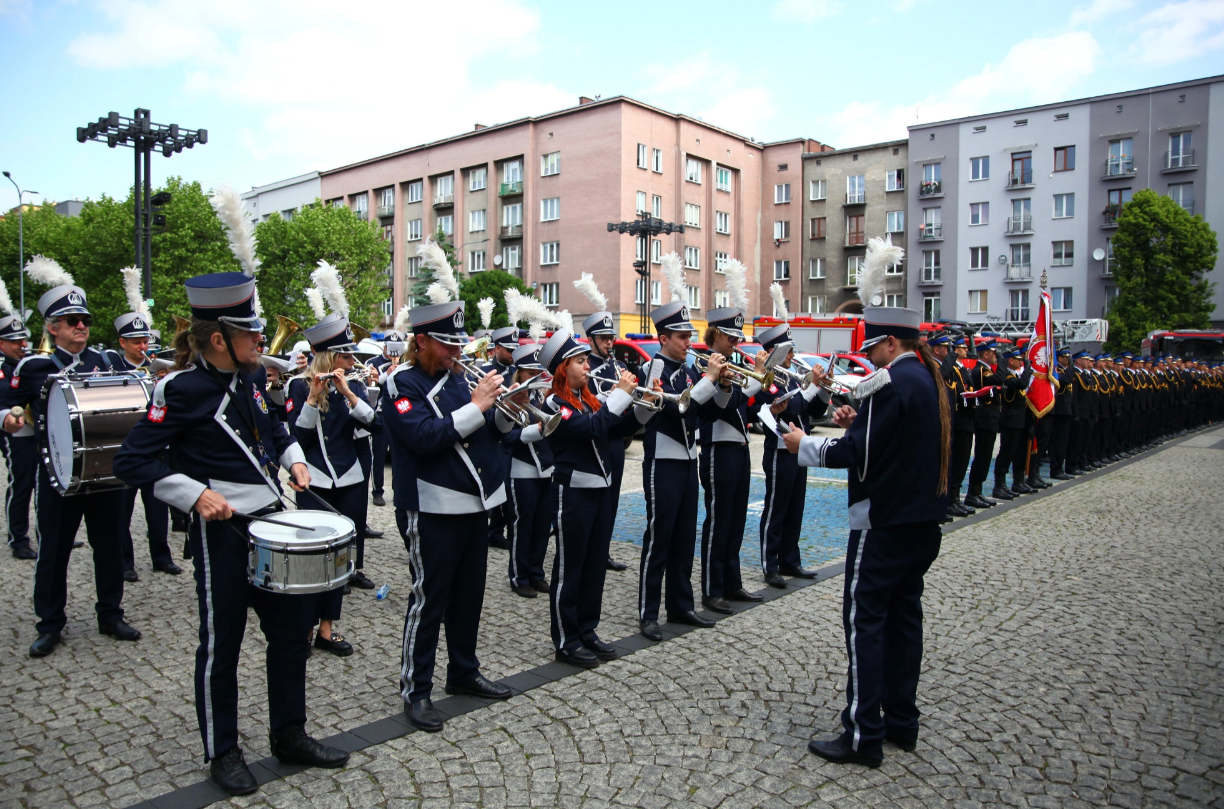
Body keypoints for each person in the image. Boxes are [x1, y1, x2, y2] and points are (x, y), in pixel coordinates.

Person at [113, 270, 349, 795]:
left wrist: (294, 459)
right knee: (222, 644)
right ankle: (223, 751)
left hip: (271, 523)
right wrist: (193, 494)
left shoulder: (250, 377)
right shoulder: (178, 388)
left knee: (291, 637)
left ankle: (290, 733)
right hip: (221, 534)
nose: (264, 344)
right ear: (219, 339)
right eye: (254, 336)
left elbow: (276, 429)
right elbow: (133, 461)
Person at [781, 290, 950, 768]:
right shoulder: (929, 379)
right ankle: (901, 721)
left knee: (864, 623)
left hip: (884, 522)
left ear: (891, 343)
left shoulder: (891, 382)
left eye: (873, 348)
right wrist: (857, 424)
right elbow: (893, 441)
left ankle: (862, 734)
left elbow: (859, 455)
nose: (868, 356)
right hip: (921, 522)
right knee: (903, 621)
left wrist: (804, 445)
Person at [383, 297, 514, 734]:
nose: (456, 353)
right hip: (432, 504)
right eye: (446, 345)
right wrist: (477, 406)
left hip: (474, 503)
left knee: (469, 595)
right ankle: (415, 689)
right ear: (420, 341)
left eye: (458, 344)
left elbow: (487, 432)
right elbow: (424, 437)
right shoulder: (401, 382)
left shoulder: (458, 378)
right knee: (429, 599)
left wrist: (506, 412)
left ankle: (463, 670)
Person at [2, 260, 140, 659]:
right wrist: (9, 419)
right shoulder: (34, 366)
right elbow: (7, 405)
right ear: (52, 327)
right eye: (71, 320)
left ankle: (110, 614)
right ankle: (50, 624)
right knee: (54, 550)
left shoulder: (105, 362)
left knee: (109, 546)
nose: (81, 326)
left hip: (103, 473)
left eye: (85, 320)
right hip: (58, 474)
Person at [537, 329, 645, 667]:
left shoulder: (588, 397)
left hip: (599, 490)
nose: (588, 367)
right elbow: (590, 429)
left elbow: (615, 429)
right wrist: (620, 397)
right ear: (563, 368)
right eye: (581, 362)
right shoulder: (555, 404)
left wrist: (645, 407)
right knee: (570, 568)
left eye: (586, 360)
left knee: (595, 563)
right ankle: (566, 639)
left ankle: (587, 628)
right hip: (572, 493)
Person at [286, 310, 381, 657]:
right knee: (314, 559)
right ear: (329, 357)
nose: (352, 361)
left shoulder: (352, 385)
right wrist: (313, 397)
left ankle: (327, 629)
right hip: (316, 481)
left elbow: (376, 425)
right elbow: (297, 436)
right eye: (346, 355)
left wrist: (351, 394)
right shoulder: (297, 386)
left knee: (341, 557)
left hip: (351, 478)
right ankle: (305, 629)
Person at [637, 269, 721, 642]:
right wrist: (708, 382)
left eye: (689, 336)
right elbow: (677, 410)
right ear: (663, 338)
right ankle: (647, 612)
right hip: (663, 462)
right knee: (660, 537)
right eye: (683, 337)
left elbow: (705, 412)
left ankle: (681, 606)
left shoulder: (688, 370)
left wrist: (718, 386)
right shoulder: (654, 369)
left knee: (686, 536)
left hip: (688, 460)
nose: (689, 342)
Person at [695, 305, 764, 614]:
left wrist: (761, 390)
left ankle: (731, 583)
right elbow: (728, 403)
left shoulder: (735, 364)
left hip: (738, 447)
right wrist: (756, 380)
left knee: (735, 521)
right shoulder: (704, 366)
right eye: (732, 338)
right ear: (718, 335)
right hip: (717, 448)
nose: (737, 343)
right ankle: (711, 589)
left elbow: (744, 407)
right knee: (718, 520)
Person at [109, 310, 179, 579]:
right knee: (122, 511)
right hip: (125, 446)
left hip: (155, 450)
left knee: (158, 506)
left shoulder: (158, 370)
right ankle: (125, 561)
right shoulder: (114, 371)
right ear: (122, 343)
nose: (142, 347)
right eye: (136, 342)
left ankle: (161, 556)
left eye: (145, 341)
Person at [753, 321, 825, 587]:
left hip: (800, 448)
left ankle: (791, 560)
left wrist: (824, 389)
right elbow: (791, 407)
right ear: (774, 353)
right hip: (780, 450)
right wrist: (812, 386)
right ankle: (770, 565)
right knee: (776, 509)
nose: (793, 356)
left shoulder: (792, 374)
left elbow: (813, 412)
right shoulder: (769, 378)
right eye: (788, 351)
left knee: (796, 507)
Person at [578, 300, 632, 573]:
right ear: (591, 340)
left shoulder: (618, 366)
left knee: (612, 498)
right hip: (596, 437)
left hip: (617, 438)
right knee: (596, 500)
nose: (610, 343)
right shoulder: (584, 368)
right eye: (604, 339)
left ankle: (604, 549)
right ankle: (589, 549)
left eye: (612, 338)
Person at [504, 343, 554, 599]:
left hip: (545, 469)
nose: (536, 376)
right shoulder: (511, 398)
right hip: (521, 470)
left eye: (539, 371)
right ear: (520, 373)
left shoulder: (543, 397)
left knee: (542, 525)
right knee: (522, 526)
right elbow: (506, 438)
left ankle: (536, 573)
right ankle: (518, 576)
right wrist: (535, 430)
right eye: (531, 371)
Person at [0, 309, 37, 559]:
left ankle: (46, 530)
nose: (22, 345)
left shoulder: (30, 364)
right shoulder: (3, 368)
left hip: (39, 429)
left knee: (46, 483)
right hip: (15, 432)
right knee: (22, 481)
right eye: (15, 341)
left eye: (23, 340)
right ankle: (18, 538)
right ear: (1, 343)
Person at [483, 326, 519, 551]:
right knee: (498, 483)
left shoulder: (517, 370)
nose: (512, 354)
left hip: (514, 434)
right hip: (495, 437)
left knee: (509, 487)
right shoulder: (487, 370)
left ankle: (499, 528)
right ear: (497, 348)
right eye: (508, 350)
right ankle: (494, 530)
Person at [964, 341, 1003, 507]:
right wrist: (1002, 362)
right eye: (994, 353)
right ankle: (973, 493)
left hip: (990, 417)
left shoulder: (985, 370)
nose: (996, 356)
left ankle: (978, 492)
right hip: (984, 417)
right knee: (982, 456)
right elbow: (999, 379)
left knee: (986, 457)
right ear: (986, 354)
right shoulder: (980, 370)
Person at [992, 349, 1033, 498]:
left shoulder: (1014, 374)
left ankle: (1016, 482)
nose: (1020, 362)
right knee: (1006, 452)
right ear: (1010, 361)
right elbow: (1021, 384)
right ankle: (999, 485)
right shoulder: (1007, 376)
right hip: (1010, 419)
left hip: (1018, 418)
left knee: (1016, 451)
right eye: (1017, 360)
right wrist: (1028, 369)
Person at [1047, 347, 1076, 480]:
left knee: (1063, 442)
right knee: (1058, 442)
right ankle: (1056, 469)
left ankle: (1060, 468)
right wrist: (1072, 366)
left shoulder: (1064, 370)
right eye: (1066, 358)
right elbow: (1065, 380)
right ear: (1060, 358)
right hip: (1059, 411)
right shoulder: (1056, 370)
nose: (1068, 360)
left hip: (1065, 411)